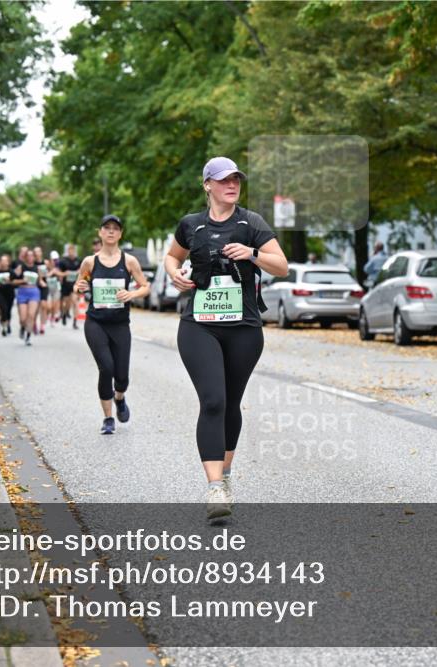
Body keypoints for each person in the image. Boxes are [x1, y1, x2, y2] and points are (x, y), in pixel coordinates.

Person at [164, 156, 288, 522]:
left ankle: (226, 475)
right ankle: (215, 487)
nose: (231, 185)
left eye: (235, 179)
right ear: (208, 185)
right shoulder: (191, 225)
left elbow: (282, 266)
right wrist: (175, 275)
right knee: (213, 400)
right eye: (223, 180)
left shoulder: (251, 223)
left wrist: (252, 254)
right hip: (198, 324)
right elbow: (172, 258)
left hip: (244, 328)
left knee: (231, 402)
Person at [73, 215, 150, 434]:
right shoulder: (90, 262)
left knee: (122, 377)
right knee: (106, 367)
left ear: (120, 234)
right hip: (95, 322)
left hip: (120, 324)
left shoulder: (129, 261)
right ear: (100, 232)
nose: (110, 232)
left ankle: (120, 397)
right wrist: (79, 286)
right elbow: (79, 284)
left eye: (115, 229)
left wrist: (132, 293)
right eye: (106, 228)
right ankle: (108, 419)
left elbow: (145, 287)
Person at [12, 248, 44, 346]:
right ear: (25, 257)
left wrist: (42, 283)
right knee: (23, 318)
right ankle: (22, 327)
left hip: (34, 292)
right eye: (28, 256)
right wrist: (23, 280)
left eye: (32, 256)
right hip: (22, 291)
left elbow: (40, 280)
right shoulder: (20, 267)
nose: (30, 257)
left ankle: (28, 336)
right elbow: (13, 281)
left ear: (34, 257)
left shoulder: (37, 268)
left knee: (31, 315)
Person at [56, 244, 82, 329]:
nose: (72, 252)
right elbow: (57, 272)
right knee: (66, 303)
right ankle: (64, 313)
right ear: (67, 251)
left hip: (75, 285)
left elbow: (83, 271)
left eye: (73, 250)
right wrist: (64, 273)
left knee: (75, 302)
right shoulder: (63, 261)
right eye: (70, 250)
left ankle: (75, 322)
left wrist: (79, 272)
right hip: (65, 285)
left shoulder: (78, 260)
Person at [0, 254, 16, 337]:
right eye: (2, 261)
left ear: (8, 262)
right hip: (0, 293)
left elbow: (16, 282)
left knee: (8, 310)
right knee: (3, 309)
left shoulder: (11, 272)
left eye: (5, 261)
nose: (4, 262)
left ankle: (8, 324)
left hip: (10, 293)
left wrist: (10, 281)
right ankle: (4, 327)